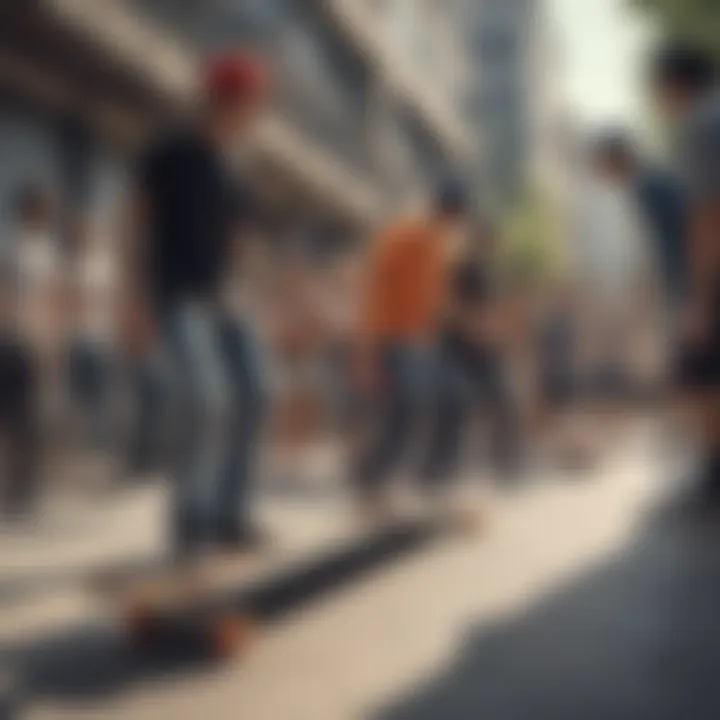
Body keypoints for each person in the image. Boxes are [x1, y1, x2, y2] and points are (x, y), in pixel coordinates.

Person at [122, 50, 270, 556]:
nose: (254, 115)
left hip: (226, 298)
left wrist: (251, 294)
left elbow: (237, 241)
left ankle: (229, 517)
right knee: (208, 401)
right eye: (249, 103)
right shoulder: (172, 151)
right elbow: (135, 223)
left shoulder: (233, 165)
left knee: (256, 392)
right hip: (179, 294)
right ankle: (192, 522)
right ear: (223, 99)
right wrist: (134, 300)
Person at [352, 182, 470, 510]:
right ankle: (372, 481)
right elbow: (375, 291)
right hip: (392, 339)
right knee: (402, 410)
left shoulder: (438, 244)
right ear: (450, 212)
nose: (456, 228)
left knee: (448, 401)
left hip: (421, 343)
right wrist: (367, 347)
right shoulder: (405, 237)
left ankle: (429, 479)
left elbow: (433, 297)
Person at [650, 42, 720, 495]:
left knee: (698, 372)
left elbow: (707, 214)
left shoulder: (700, 124)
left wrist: (699, 298)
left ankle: (715, 471)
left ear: (676, 84)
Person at [429, 221, 521, 484]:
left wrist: (495, 333)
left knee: (503, 403)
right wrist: (473, 328)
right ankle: (441, 469)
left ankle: (506, 462)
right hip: (458, 347)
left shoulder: (489, 274)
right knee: (455, 407)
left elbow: (491, 310)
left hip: (484, 349)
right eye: (489, 243)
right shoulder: (461, 271)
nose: (493, 249)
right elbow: (451, 307)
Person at [0, 185, 66, 517]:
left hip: (34, 342)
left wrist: (53, 341)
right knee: (16, 415)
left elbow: (54, 300)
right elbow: (6, 292)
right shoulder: (15, 247)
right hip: (14, 341)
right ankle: (18, 487)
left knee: (29, 417)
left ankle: (23, 489)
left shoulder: (46, 251)